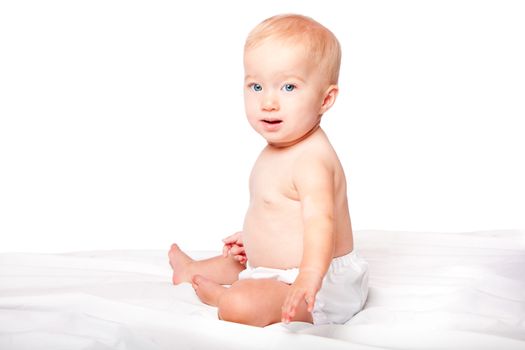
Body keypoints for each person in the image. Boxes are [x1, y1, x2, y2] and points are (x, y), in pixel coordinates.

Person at [168, 13, 368, 327]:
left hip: (315, 285)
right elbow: (277, 208)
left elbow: (320, 223)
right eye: (256, 86)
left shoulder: (312, 159)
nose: (268, 102)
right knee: (236, 261)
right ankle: (192, 270)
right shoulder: (277, 147)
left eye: (289, 87)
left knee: (243, 300)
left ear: (325, 99)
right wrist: (256, 236)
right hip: (282, 270)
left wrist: (309, 277)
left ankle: (223, 297)